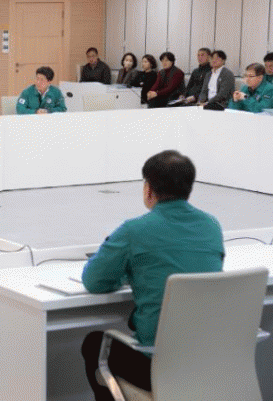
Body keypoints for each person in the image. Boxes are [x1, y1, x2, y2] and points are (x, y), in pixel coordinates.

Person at [81, 150, 224, 401]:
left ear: (148, 189)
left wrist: (127, 275)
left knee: (94, 344)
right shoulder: (211, 226)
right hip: (207, 363)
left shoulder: (134, 230)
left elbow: (93, 280)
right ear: (189, 188)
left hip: (158, 367)